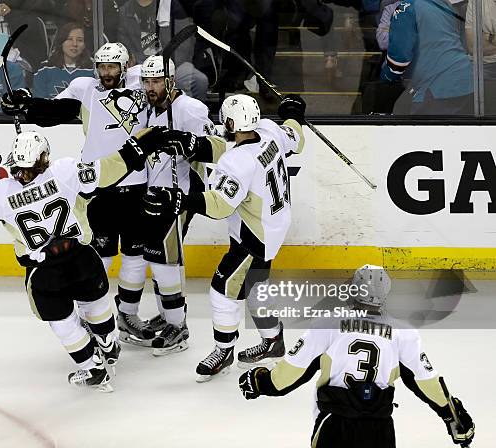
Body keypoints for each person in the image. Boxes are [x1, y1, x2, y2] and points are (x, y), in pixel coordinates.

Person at [0, 127, 166, 389]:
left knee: (63, 323)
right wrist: (138, 147)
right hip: (81, 256)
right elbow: (110, 169)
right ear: (44, 156)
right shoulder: (65, 171)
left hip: (44, 270)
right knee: (94, 304)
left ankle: (91, 367)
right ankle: (107, 341)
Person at [1, 42, 156, 347]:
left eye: (112, 67)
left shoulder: (142, 79)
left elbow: (163, 86)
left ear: (125, 67)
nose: (106, 73)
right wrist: (27, 104)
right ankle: (92, 315)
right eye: (101, 66)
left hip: (139, 182)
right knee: (100, 254)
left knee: (135, 256)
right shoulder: (85, 88)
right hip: (97, 185)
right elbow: (54, 112)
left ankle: (128, 316)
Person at [143, 93, 306, 381]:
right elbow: (296, 137)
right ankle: (273, 341)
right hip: (274, 223)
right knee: (255, 288)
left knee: (221, 290)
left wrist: (179, 200)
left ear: (231, 121)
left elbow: (219, 206)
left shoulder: (236, 162)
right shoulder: (270, 130)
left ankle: (224, 350)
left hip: (253, 235)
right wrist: (293, 111)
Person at [238, 265, 475, 448]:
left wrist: (259, 381)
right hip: (379, 429)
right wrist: (453, 414)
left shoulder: (327, 324)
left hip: (335, 425)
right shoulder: (403, 333)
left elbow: (286, 379)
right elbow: (427, 384)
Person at [140, 55, 215, 355]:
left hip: (179, 194)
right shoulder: (147, 109)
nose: (150, 86)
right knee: (157, 261)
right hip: (153, 193)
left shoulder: (191, 109)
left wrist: (186, 143)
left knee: (164, 262)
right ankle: (169, 313)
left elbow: (212, 147)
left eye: (156, 81)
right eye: (147, 81)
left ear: (170, 81)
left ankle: (179, 327)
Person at [380, 0, 473, 115]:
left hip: (436, 86)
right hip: (464, 81)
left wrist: (385, 77)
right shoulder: (444, 5)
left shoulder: (406, 8)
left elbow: (399, 59)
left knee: (418, 128)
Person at [32, 22, 93, 99]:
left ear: (85, 44)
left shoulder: (93, 69)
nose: (74, 44)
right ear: (61, 42)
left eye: (79, 40)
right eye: (69, 39)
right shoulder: (45, 69)